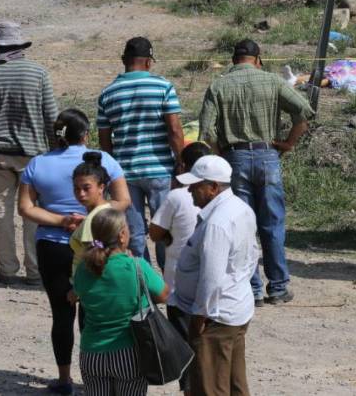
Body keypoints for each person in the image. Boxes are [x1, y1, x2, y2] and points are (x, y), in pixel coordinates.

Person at [17, 109, 129, 395]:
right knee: (92, 314)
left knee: (61, 314)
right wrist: (91, 219)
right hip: (97, 244)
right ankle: (93, 377)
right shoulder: (103, 160)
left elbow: (26, 208)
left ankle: (64, 379)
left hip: (53, 245)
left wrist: (62, 220)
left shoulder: (37, 163)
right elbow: (122, 200)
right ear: (85, 135)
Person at [199, 39, 312, 305]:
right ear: (258, 59)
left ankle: (252, 289)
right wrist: (288, 144)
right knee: (272, 224)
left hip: (234, 158)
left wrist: (221, 155)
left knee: (241, 227)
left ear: (233, 60)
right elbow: (304, 112)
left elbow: (206, 130)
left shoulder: (218, 85)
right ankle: (279, 286)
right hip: (267, 155)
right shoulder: (272, 82)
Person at [173, 155, 259, 396]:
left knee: (208, 387)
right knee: (234, 384)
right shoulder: (241, 209)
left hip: (216, 317)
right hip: (235, 309)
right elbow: (253, 256)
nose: (189, 191)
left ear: (213, 188)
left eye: (195, 186)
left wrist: (200, 316)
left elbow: (211, 276)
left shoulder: (217, 223)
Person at [97, 36, 185, 267]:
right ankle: (169, 283)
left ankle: (142, 284)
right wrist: (181, 161)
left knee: (134, 235)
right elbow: (174, 129)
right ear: (148, 62)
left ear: (123, 60)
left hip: (125, 175)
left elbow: (105, 142)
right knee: (166, 229)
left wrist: (113, 172)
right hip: (160, 169)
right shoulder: (163, 86)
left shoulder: (108, 93)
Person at [0, 21, 58, 285]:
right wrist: (55, 151)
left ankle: (6, 270)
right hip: (33, 156)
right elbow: (51, 117)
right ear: (21, 46)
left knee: (2, 211)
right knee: (31, 212)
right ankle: (35, 271)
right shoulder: (38, 73)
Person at [73, 208, 169, 396]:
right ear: (122, 235)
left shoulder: (84, 268)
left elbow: (78, 293)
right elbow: (163, 295)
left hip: (92, 353)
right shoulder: (136, 266)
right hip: (129, 353)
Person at [149, 141, 210, 396]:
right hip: (208, 281)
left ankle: (189, 388)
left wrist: (167, 238)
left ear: (183, 165)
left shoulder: (176, 196)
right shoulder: (221, 196)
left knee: (184, 341)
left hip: (178, 281)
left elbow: (154, 232)